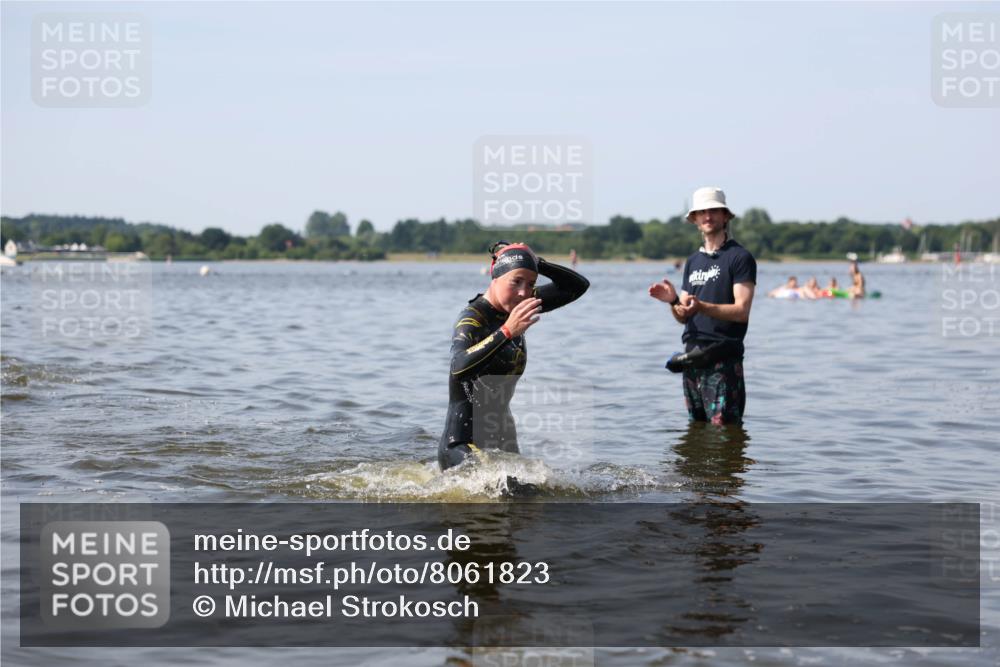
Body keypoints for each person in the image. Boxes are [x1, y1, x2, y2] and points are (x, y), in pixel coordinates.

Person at [439, 241, 589, 470]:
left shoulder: (519, 304)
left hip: (503, 445)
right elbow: (458, 367)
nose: (523, 292)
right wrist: (507, 331)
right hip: (462, 448)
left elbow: (576, 286)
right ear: (495, 277)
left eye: (530, 284)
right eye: (516, 281)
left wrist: (536, 262)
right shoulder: (472, 319)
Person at [648, 186, 756, 425]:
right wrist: (673, 301)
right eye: (702, 212)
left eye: (714, 211)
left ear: (725, 216)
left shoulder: (740, 257)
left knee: (724, 432)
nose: (708, 216)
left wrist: (702, 307)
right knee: (695, 432)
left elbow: (741, 311)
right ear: (694, 219)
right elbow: (684, 315)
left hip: (723, 360)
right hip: (692, 358)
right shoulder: (693, 261)